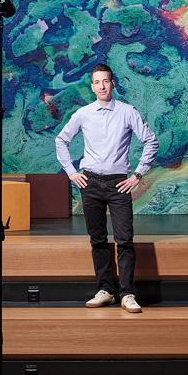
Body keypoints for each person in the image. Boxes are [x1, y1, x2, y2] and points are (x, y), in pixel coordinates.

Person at [55, 63, 159, 313]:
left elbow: (150, 141)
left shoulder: (127, 112)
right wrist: (71, 172)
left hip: (119, 185)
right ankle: (105, 290)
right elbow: (61, 140)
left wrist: (137, 174)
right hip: (90, 183)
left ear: (113, 84)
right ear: (92, 87)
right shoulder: (83, 113)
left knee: (124, 240)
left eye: (106, 81)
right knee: (98, 240)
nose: (101, 86)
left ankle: (127, 293)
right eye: (97, 82)